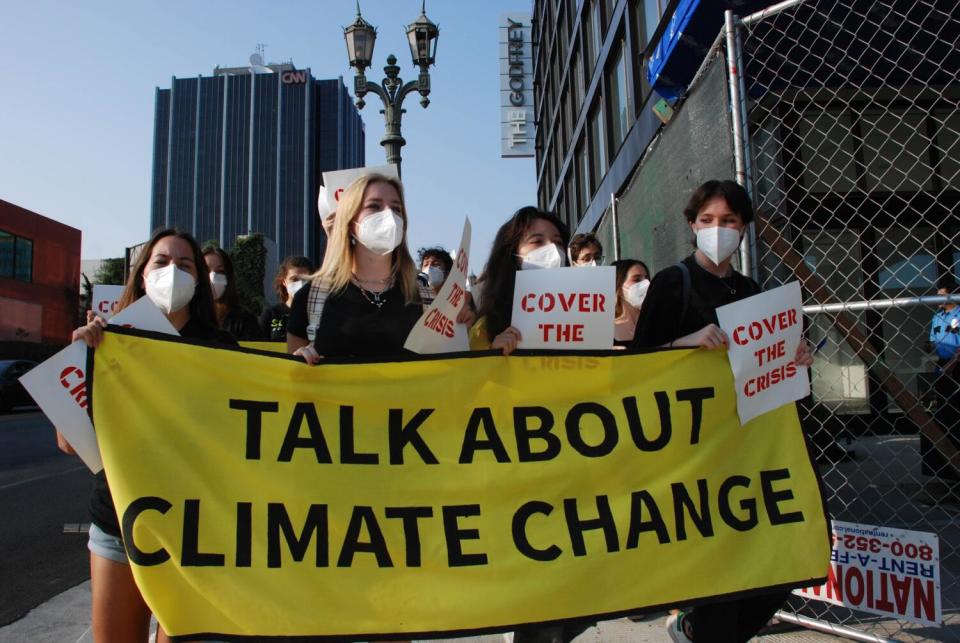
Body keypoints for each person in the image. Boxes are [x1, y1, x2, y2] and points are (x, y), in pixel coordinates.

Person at [630, 180, 812, 643]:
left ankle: (692, 628)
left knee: (771, 568)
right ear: (692, 225)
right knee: (718, 576)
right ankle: (698, 627)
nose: (718, 229)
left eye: (728, 221)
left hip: (745, 448)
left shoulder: (752, 290)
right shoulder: (675, 282)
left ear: (743, 228)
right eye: (707, 220)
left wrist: (795, 356)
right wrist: (686, 344)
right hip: (691, 455)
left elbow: (766, 363)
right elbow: (638, 364)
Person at [64, 228, 237, 642]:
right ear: (142, 274)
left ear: (197, 280)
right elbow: (68, 442)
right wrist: (77, 358)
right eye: (161, 262)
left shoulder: (220, 347)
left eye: (185, 264)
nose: (172, 271)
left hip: (197, 528)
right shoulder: (107, 340)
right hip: (120, 522)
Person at [287, 173, 431, 361]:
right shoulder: (308, 299)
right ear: (350, 221)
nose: (389, 215)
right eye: (374, 206)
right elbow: (293, 383)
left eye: (396, 208)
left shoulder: (426, 299)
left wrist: (465, 319)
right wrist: (299, 362)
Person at [470, 206, 570, 354]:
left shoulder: (586, 312)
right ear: (511, 254)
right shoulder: (486, 327)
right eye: (537, 241)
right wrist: (492, 354)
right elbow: (470, 373)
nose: (553, 249)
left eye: (558, 242)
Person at [923, 276, 960, 480]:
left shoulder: (959, 314)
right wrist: (929, 347)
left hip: (955, 365)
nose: (937, 299)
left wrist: (950, 365)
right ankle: (948, 463)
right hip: (943, 364)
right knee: (945, 412)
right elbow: (931, 340)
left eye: (942, 295)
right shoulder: (937, 316)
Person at [202, 245, 262, 340]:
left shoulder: (245, 320)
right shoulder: (186, 316)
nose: (212, 277)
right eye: (206, 270)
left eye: (220, 271)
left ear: (229, 277)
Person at [259, 255, 315, 341]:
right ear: (284, 281)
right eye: (294, 279)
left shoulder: (319, 314)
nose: (300, 284)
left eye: (305, 279)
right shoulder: (271, 314)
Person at [612, 259, 651, 346]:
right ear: (618, 286)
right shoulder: (604, 330)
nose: (647, 284)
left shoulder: (658, 323)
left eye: (647, 278)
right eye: (637, 280)